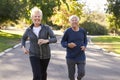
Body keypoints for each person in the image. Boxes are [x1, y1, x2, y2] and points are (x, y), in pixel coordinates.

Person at [21, 7, 57, 80]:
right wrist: (23, 47)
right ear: (32, 17)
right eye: (35, 16)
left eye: (39, 16)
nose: (37, 18)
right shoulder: (29, 30)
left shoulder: (46, 28)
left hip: (46, 55)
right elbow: (23, 38)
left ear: (41, 17)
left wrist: (46, 41)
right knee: (37, 75)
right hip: (33, 55)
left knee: (42, 74)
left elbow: (54, 39)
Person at [61, 15, 87, 80]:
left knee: (82, 73)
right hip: (70, 57)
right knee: (71, 76)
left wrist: (84, 46)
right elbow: (62, 42)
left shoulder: (82, 31)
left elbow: (85, 40)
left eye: (76, 20)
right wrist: (68, 44)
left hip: (81, 56)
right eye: (72, 20)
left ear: (78, 22)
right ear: (70, 22)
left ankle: (79, 78)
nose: (74, 21)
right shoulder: (68, 31)